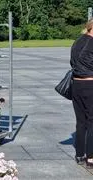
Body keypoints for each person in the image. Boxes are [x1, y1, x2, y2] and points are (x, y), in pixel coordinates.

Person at [71, 18, 93, 168]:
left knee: (81, 121)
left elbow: (73, 63)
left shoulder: (77, 41)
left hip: (76, 84)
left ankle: (79, 154)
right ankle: (91, 156)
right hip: (90, 84)